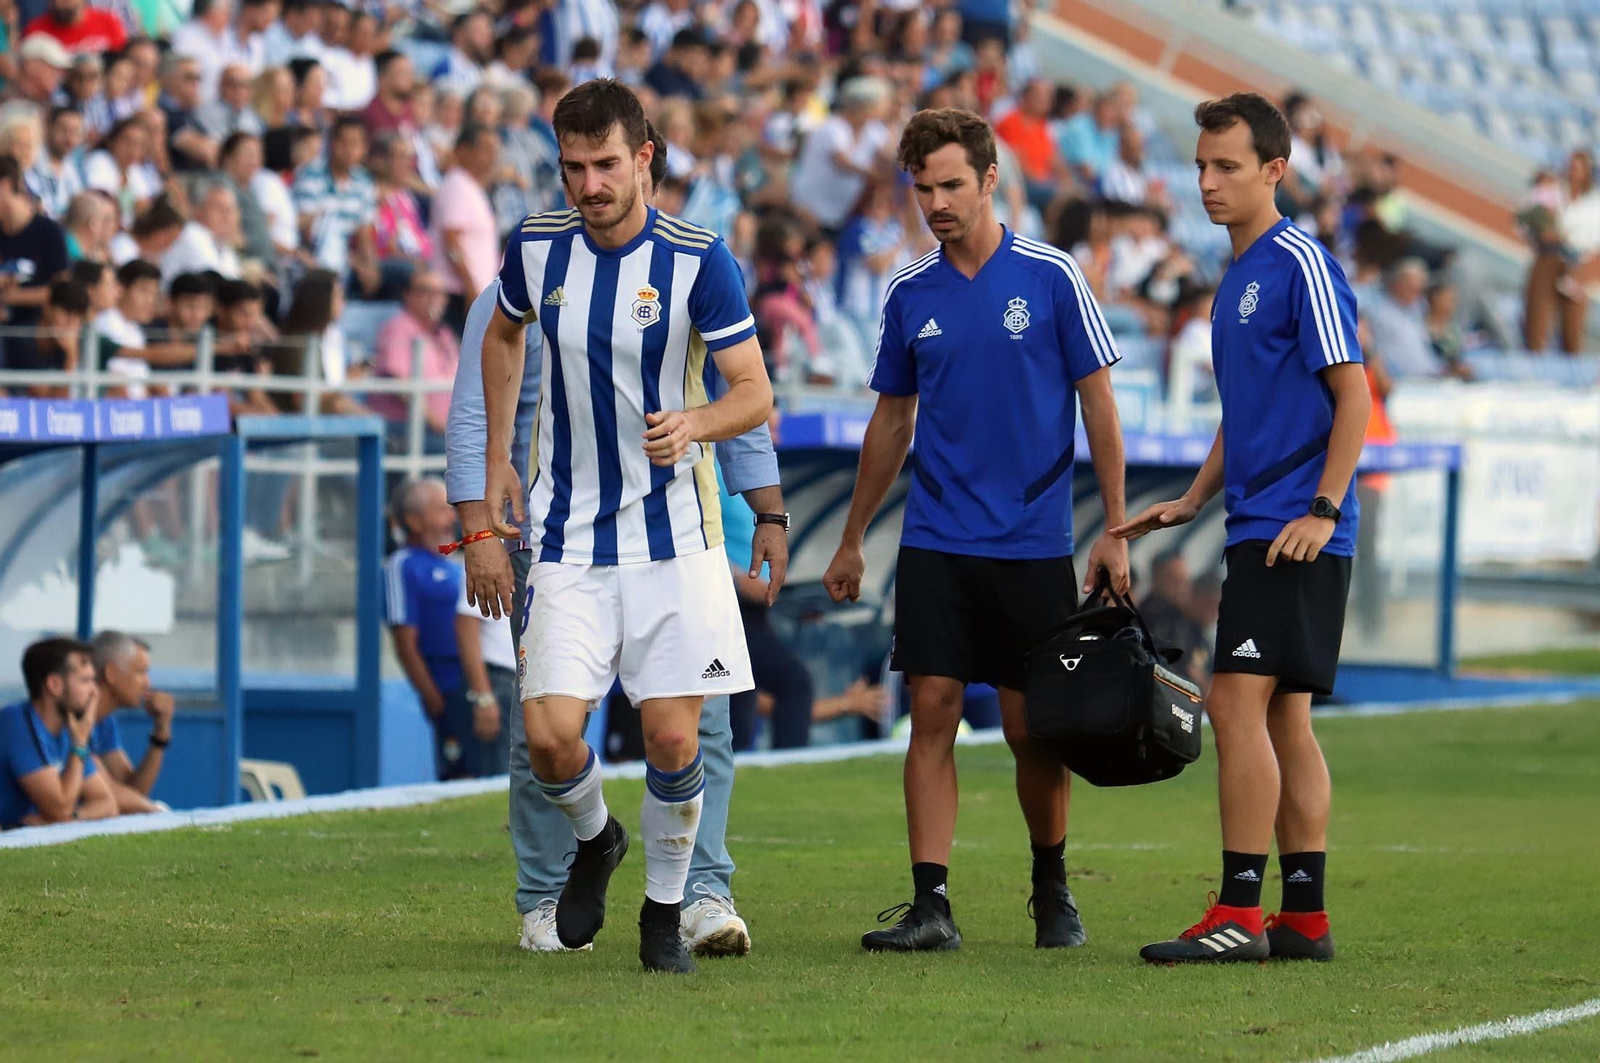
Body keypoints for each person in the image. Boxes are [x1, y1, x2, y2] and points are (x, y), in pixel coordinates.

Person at [448, 121, 785, 960]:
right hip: (555, 530)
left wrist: (769, 507)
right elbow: (480, 378)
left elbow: (739, 390)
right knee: (547, 732)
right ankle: (554, 882)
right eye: (574, 168)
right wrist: (480, 517)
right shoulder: (531, 255)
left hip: (678, 538)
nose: (589, 184)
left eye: (605, 165)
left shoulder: (698, 262)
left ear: (645, 162)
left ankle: (692, 897)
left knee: (689, 732)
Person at [820, 107, 1128, 954]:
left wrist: (1117, 529)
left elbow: (1099, 402)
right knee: (932, 709)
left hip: (1032, 543)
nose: (938, 202)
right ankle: (931, 904)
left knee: (1034, 727)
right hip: (935, 541)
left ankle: (1051, 889)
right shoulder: (908, 292)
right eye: (924, 188)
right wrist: (851, 537)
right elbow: (890, 422)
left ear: (991, 179)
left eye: (953, 184)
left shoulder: (1054, 276)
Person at [1112, 92, 1370, 964]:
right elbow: (1247, 412)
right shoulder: (1236, 279)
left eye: (1227, 166)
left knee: (1234, 703)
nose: (1208, 181)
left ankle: (1239, 911)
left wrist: (1321, 509)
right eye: (1200, 165)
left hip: (1294, 529)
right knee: (1285, 720)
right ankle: (1304, 917)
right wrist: (1192, 497)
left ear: (1274, 171)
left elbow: (1354, 394)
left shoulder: (1301, 262)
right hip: (1257, 521)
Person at [384, 477, 499, 781]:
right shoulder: (404, 565)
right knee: (460, 773)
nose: (451, 517)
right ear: (414, 520)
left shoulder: (455, 564)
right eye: (441, 510)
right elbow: (405, 640)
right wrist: (433, 698)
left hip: (475, 682)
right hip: (447, 690)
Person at [0, 637, 117, 828]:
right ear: (54, 685)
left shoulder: (67, 731)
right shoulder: (15, 723)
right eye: (86, 680)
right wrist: (79, 744)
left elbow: (107, 803)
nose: (95, 692)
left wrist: (72, 817)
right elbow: (60, 808)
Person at [370, 267, 458, 448]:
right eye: (426, 291)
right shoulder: (398, 328)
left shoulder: (445, 334)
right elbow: (402, 388)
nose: (435, 298)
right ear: (407, 295)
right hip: (407, 429)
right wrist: (439, 425)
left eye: (440, 293)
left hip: (443, 431)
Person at [87, 630, 173, 815]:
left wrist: (161, 730)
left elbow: (133, 792)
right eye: (141, 672)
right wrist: (156, 810)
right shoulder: (75, 716)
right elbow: (107, 791)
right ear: (110, 673)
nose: (147, 683)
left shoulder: (105, 721)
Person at [427, 122, 500, 334]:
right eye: (485, 149)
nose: (492, 156)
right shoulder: (456, 186)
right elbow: (451, 242)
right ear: (463, 150)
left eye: (494, 150)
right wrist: (471, 289)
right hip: (457, 293)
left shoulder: (470, 186)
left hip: (473, 293)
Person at [0, 154, 69, 372]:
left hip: (36, 333)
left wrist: (16, 297)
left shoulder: (48, 231)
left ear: (6, 185)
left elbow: (63, 290)